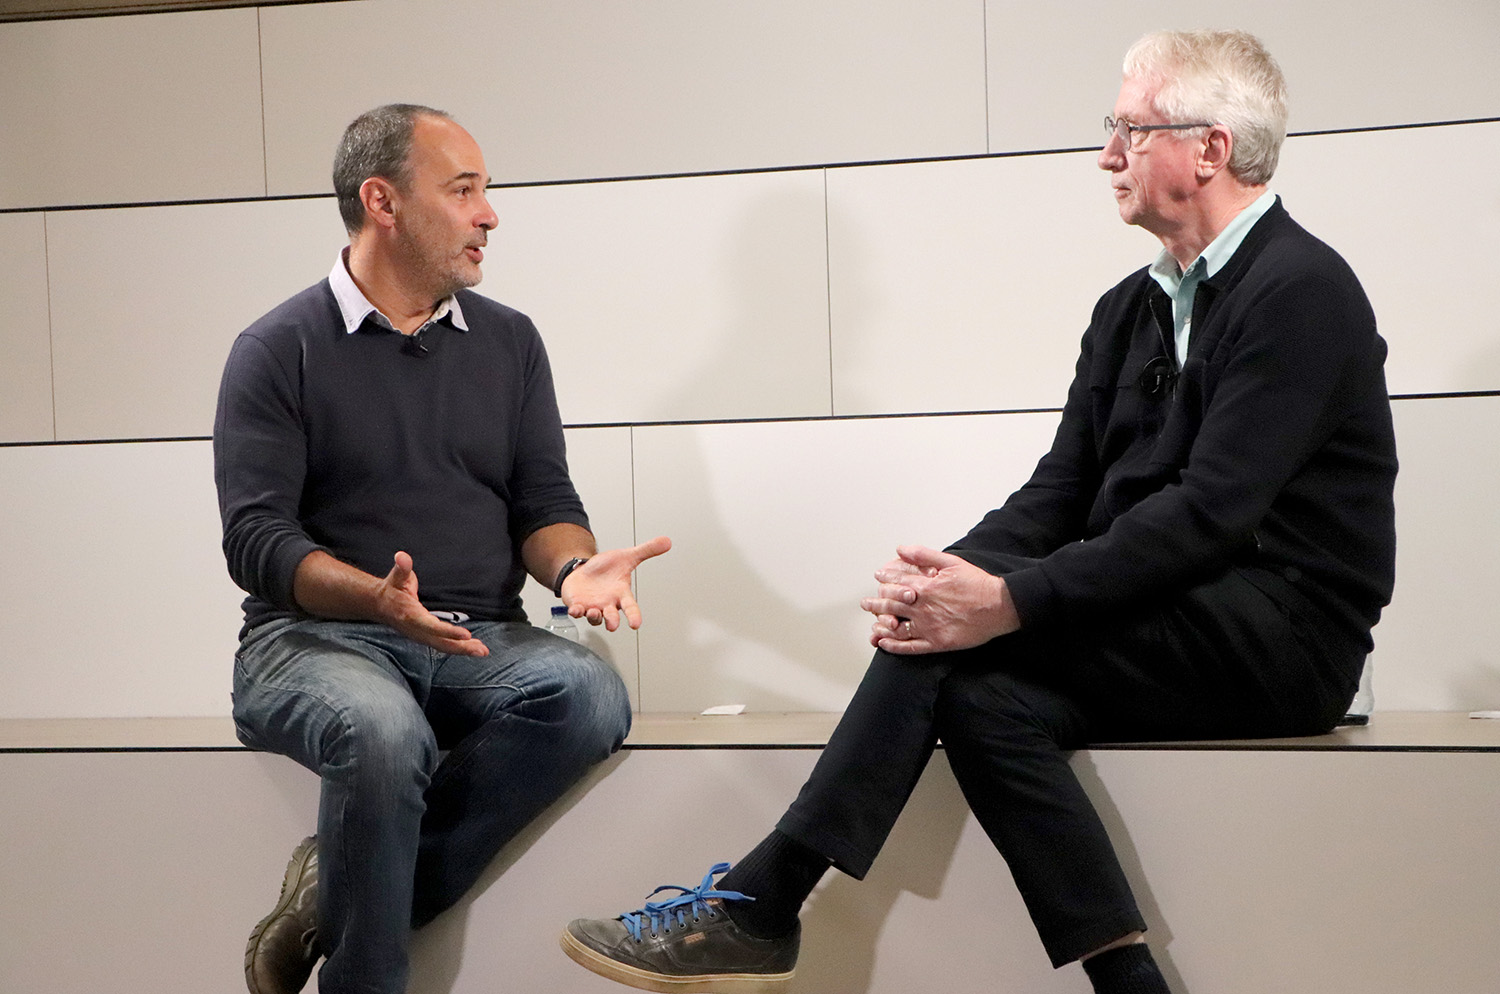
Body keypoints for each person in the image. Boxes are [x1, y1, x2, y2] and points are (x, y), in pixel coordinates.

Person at [561, 28, 1395, 994]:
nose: (1106, 154)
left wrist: (1007, 603)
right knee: (974, 687)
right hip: (1176, 612)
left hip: (1283, 635)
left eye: (1129, 128)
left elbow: (1210, 514)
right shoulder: (1128, 307)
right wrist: (944, 582)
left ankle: (763, 902)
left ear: (1210, 148)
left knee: (972, 647)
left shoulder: (1303, 291)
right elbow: (1060, 491)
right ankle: (1128, 983)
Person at [214, 103, 671, 994]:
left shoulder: (510, 341)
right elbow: (255, 540)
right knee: (382, 731)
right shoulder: (276, 350)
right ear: (381, 201)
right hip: (310, 642)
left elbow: (543, 503)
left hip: (478, 638)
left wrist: (575, 569)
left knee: (588, 693)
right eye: (463, 191)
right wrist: (373, 601)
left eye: (485, 192)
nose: (489, 214)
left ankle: (326, 896)